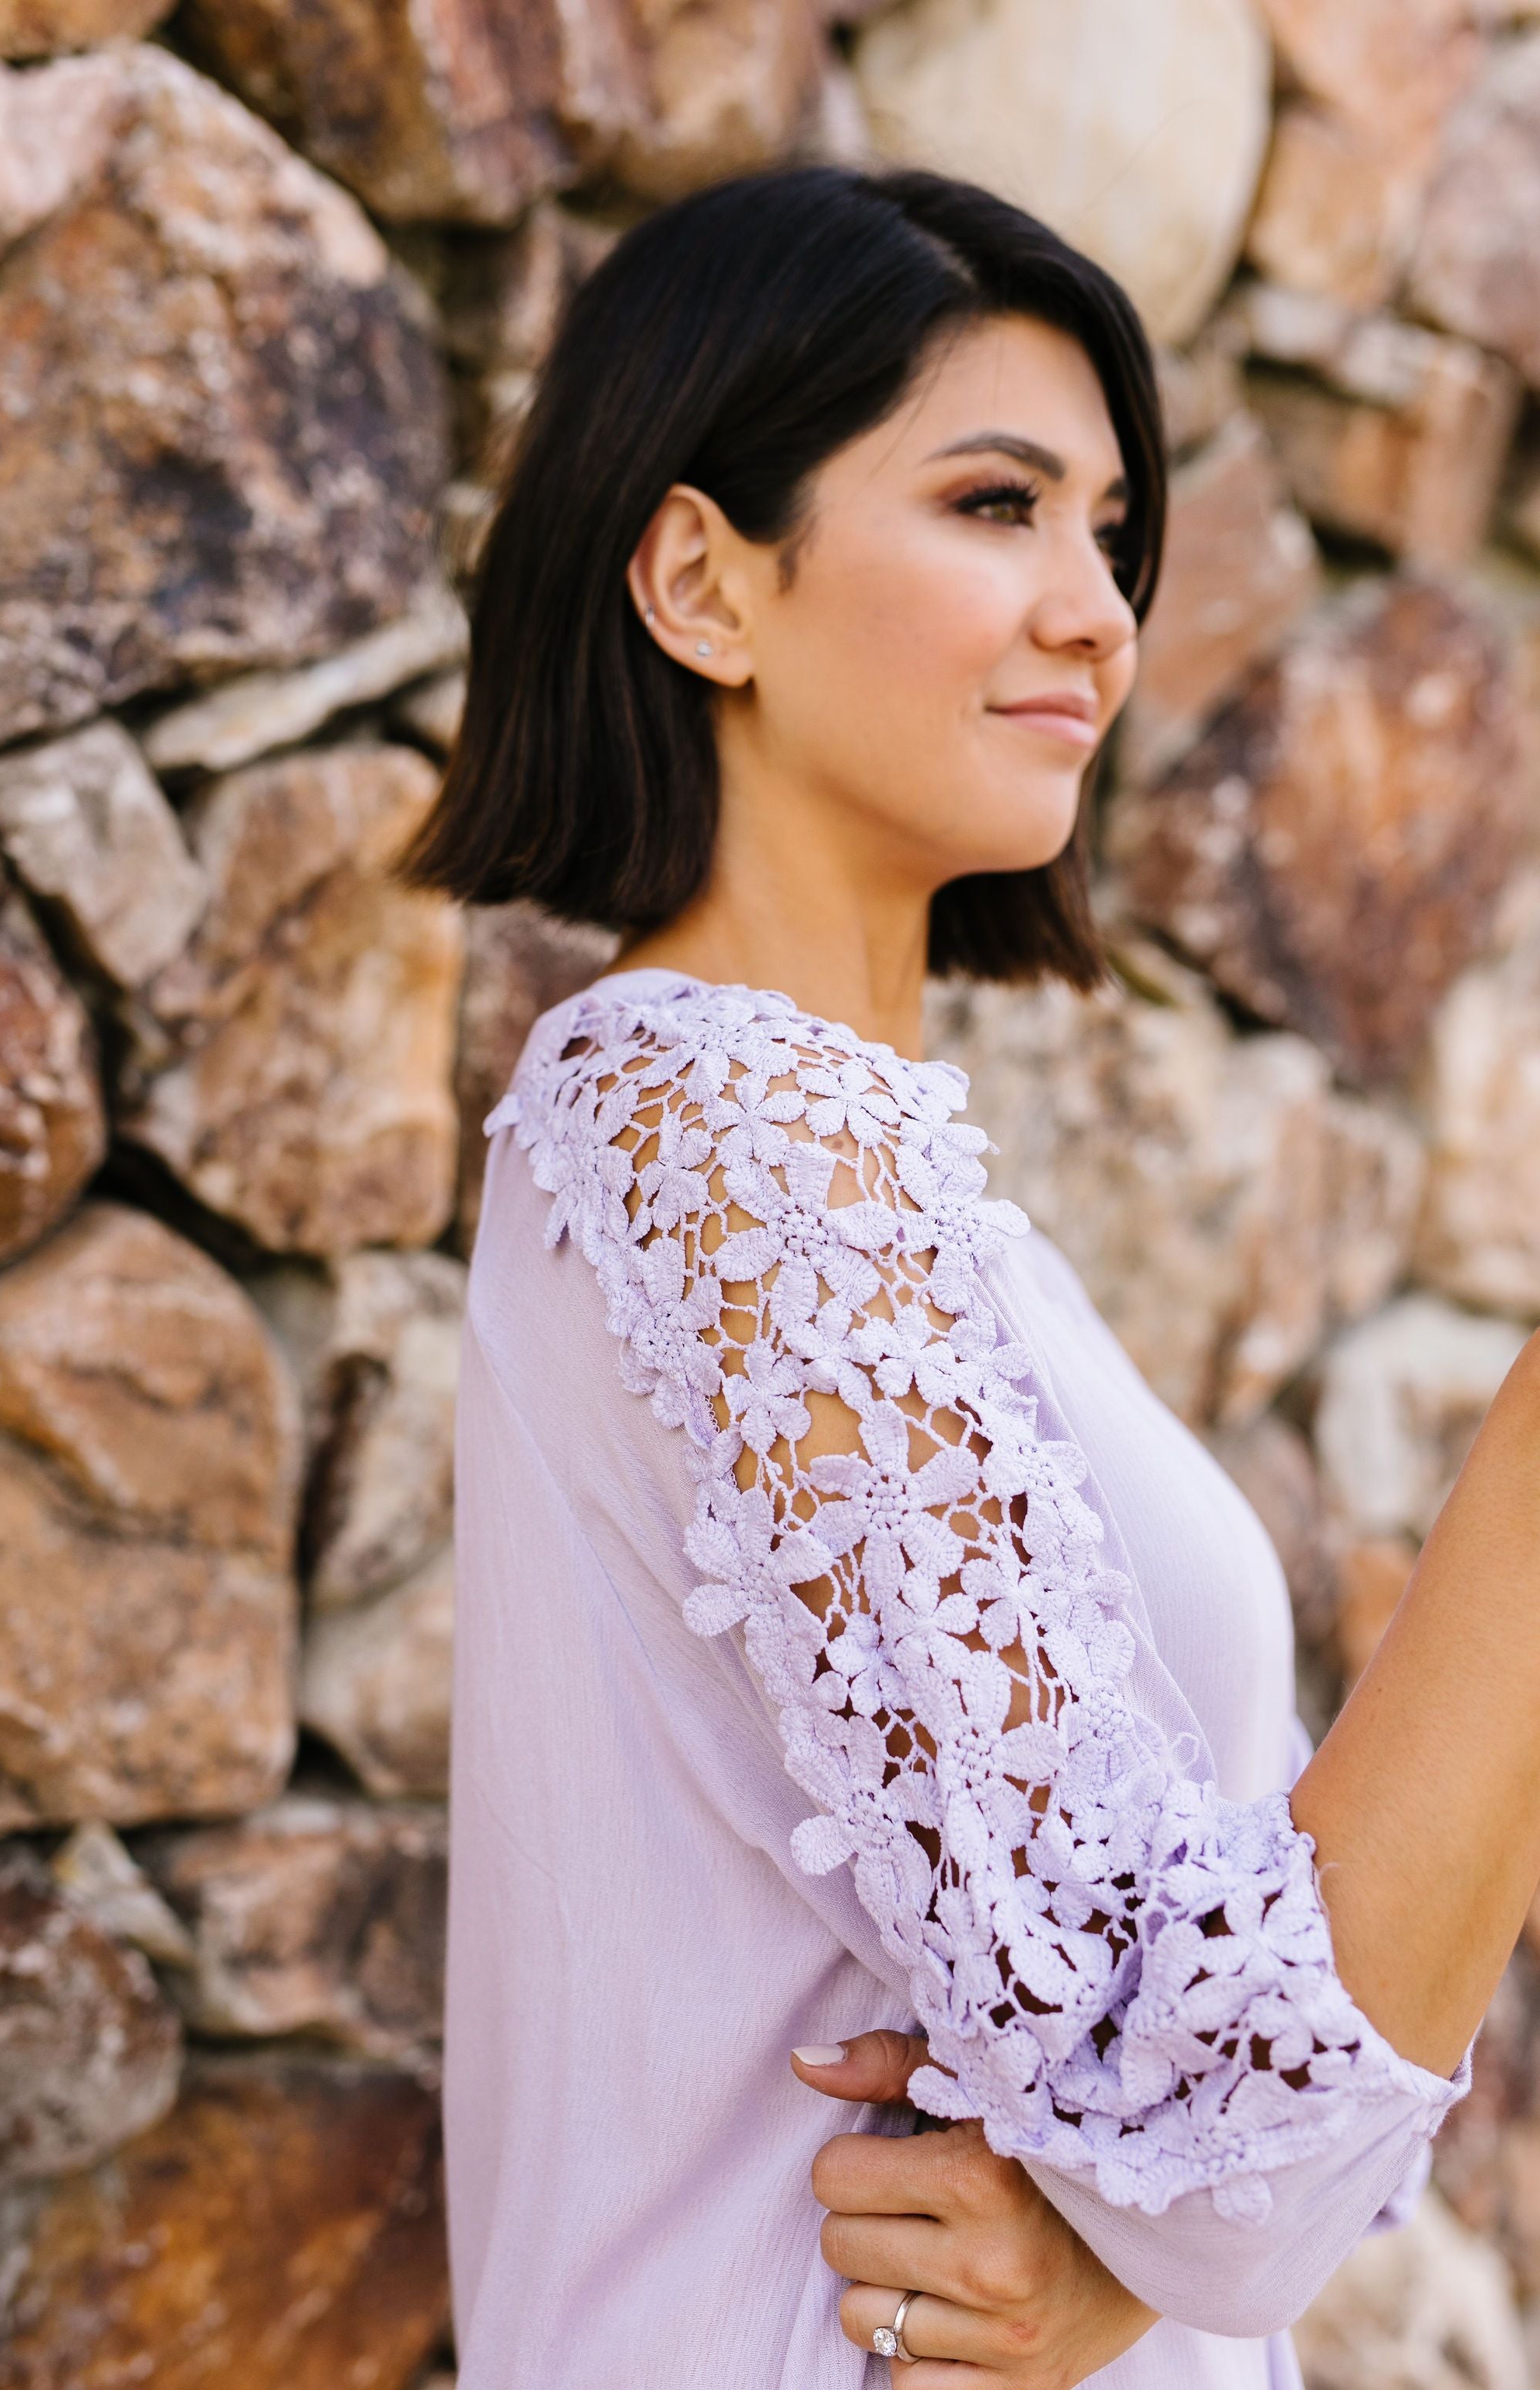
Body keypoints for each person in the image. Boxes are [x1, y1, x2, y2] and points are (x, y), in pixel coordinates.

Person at [400, 164, 1540, 2387]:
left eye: (1113, 535)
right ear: (704, 581)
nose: (1099, 612)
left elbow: (1262, 2099)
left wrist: (1124, 2246)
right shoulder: (711, 1133)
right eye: (996, 505)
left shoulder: (897, 1201)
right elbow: (1216, 2123)